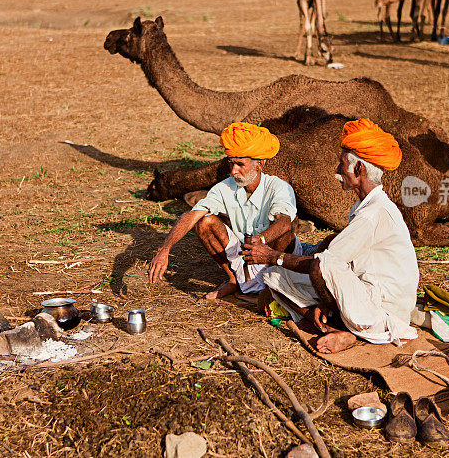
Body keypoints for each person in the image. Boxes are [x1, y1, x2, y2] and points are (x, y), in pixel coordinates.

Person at [242, 118, 419, 354]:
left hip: (381, 314)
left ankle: (338, 328)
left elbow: (321, 265)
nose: (337, 170)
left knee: (304, 268)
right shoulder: (368, 206)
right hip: (367, 295)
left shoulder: (373, 214)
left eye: (341, 163)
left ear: (358, 169)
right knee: (274, 281)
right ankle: (334, 323)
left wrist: (272, 255)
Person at [148, 122, 299, 300]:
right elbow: (191, 216)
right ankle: (234, 280)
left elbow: (285, 221)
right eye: (231, 163)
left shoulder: (278, 187)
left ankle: (277, 281)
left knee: (284, 228)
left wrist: (261, 240)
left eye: (240, 164)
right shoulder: (224, 188)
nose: (234, 170)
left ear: (260, 165)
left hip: (274, 256)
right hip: (245, 256)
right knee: (204, 221)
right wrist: (165, 249)